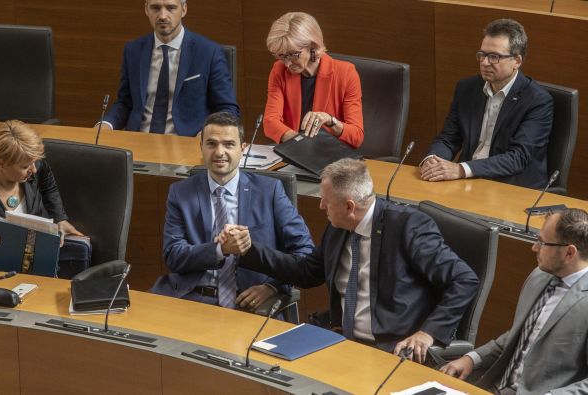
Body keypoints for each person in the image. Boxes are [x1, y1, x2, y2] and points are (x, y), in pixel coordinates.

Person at [232, 158, 479, 361]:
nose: (320, 206)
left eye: (325, 201)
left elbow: (464, 279)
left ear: (349, 207)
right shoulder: (339, 227)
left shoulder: (408, 227)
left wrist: (428, 333)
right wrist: (249, 249)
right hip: (339, 340)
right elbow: (305, 272)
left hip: (390, 349)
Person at [149, 112, 313, 311]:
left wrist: (272, 286)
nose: (219, 152)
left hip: (249, 303)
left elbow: (305, 253)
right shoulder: (180, 192)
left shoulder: (269, 191)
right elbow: (173, 256)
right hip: (191, 298)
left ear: (243, 149)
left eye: (228, 144)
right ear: (201, 147)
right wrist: (220, 250)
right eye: (211, 144)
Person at [442, 208, 588, 394]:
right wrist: (472, 358)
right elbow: (521, 335)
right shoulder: (538, 277)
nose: (534, 248)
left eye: (542, 243)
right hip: (496, 388)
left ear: (569, 252)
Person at [420, 19, 553, 189]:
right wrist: (432, 159)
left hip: (511, 188)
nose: (484, 62)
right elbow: (449, 138)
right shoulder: (467, 88)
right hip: (468, 181)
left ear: (517, 61)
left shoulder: (538, 100)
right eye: (482, 55)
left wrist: (461, 169)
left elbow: (518, 157)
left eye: (494, 57)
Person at [0, 120, 82, 265]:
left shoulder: (36, 167)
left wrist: (59, 218)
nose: (34, 169)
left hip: (41, 262)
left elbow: (48, 188)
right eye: (25, 167)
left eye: (35, 162)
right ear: (1, 162)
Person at [101, 0, 239, 136]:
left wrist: (207, 134)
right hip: (138, 140)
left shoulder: (209, 52)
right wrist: (106, 124)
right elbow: (125, 102)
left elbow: (227, 109)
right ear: (146, 9)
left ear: (184, 9)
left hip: (186, 143)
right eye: (155, 8)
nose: (162, 16)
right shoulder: (133, 50)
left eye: (170, 8)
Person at [263, 12, 364, 148]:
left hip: (331, 159)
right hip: (294, 154)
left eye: (293, 55)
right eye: (282, 56)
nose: (287, 64)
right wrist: (298, 143)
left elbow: (356, 136)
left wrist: (330, 120)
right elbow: (270, 122)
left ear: (313, 46)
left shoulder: (346, 73)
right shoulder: (279, 70)